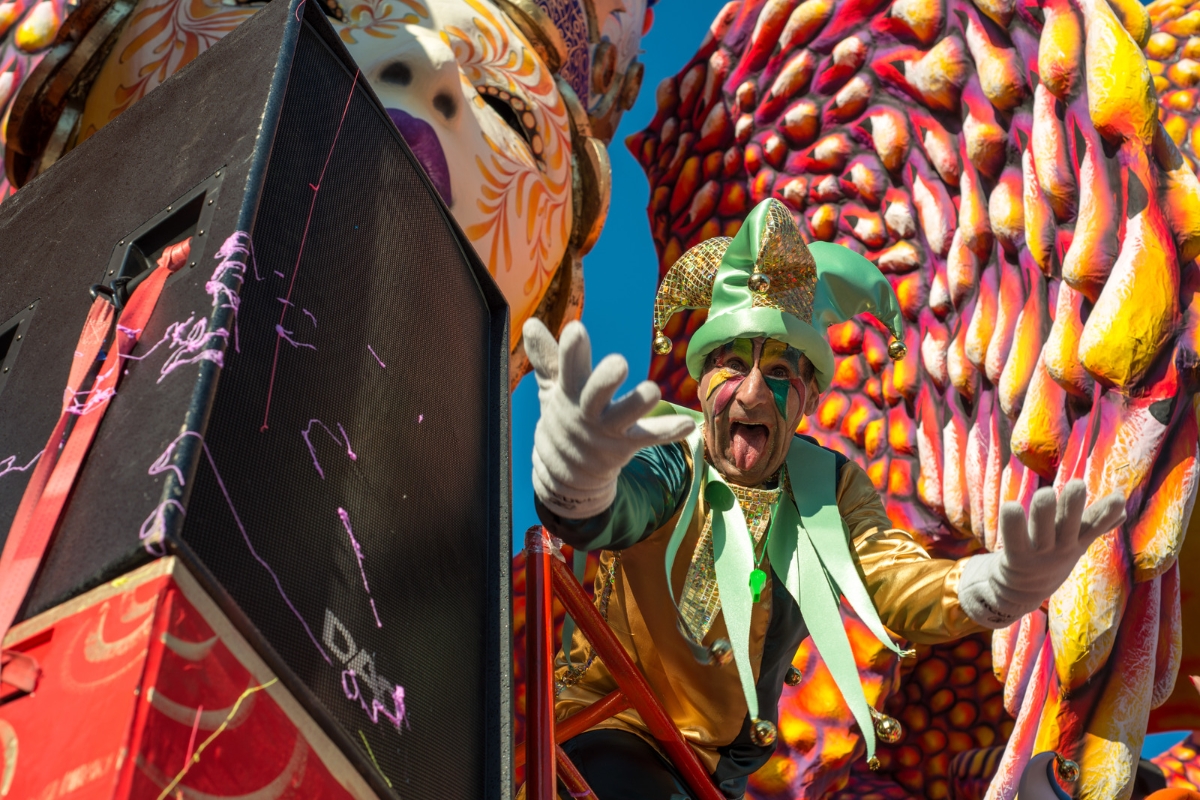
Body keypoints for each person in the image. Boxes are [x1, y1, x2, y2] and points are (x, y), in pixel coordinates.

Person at [523, 198, 1125, 800]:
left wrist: (994, 589)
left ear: (808, 399)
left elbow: (890, 579)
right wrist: (575, 488)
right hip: (614, 734)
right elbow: (623, 506)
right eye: (734, 364)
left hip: (716, 776)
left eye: (781, 372)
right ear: (703, 381)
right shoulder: (670, 448)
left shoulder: (827, 488)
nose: (754, 393)